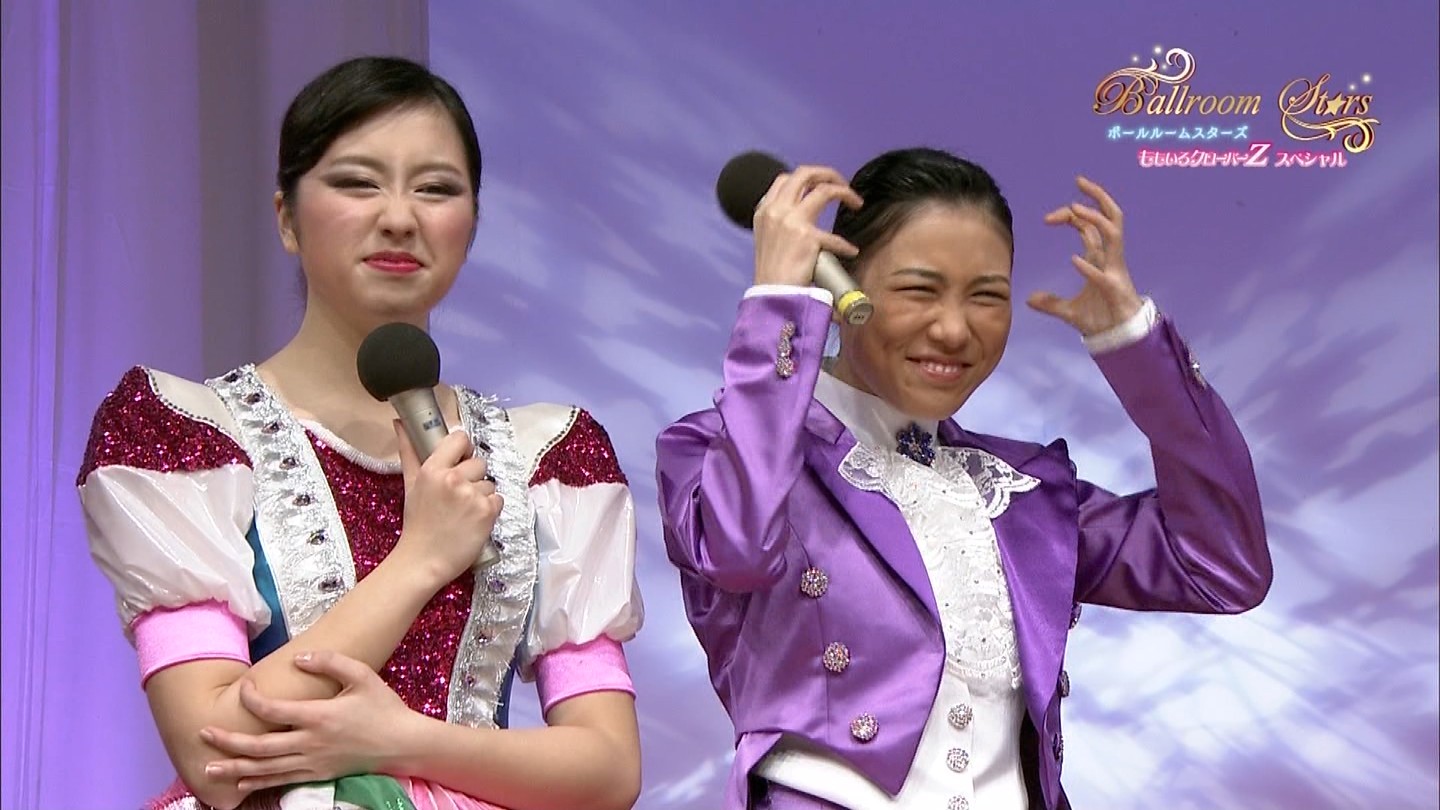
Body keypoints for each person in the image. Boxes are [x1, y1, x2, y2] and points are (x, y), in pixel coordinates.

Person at [77, 56, 643, 810]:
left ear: (472, 226)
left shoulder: (546, 456)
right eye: (356, 182)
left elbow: (608, 771)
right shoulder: (189, 434)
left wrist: (400, 741)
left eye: (436, 189)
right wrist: (422, 557)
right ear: (286, 217)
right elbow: (213, 750)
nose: (400, 217)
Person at [654, 147, 1272, 810]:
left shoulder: (1021, 495)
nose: (954, 329)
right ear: (837, 288)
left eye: (987, 296)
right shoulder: (718, 453)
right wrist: (779, 311)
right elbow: (737, 550)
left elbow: (1221, 566)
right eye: (919, 290)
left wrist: (1135, 346)